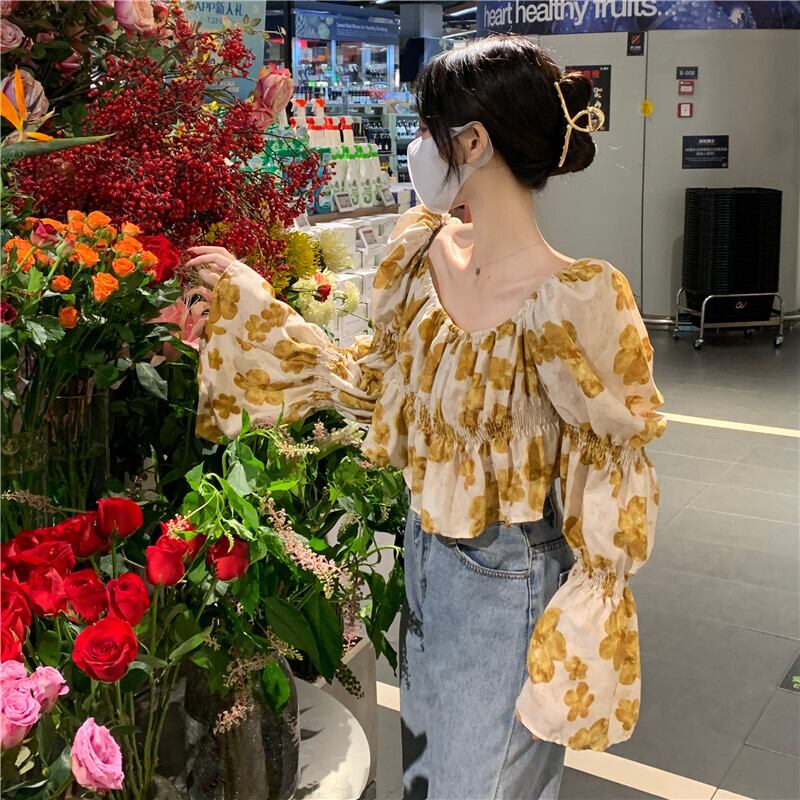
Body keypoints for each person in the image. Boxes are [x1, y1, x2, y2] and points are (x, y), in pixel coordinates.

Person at [189, 35, 666, 800]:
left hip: (510, 571)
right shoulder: (422, 253)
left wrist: (588, 615)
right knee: (427, 775)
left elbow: (613, 473)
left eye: (426, 127)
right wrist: (246, 300)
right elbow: (371, 386)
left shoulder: (575, 301)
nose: (417, 146)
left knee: (477, 787)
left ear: (472, 142)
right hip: (425, 549)